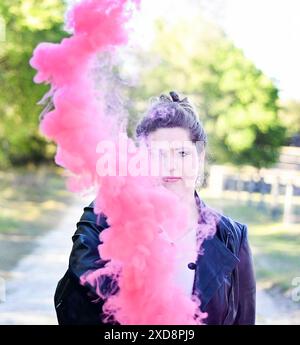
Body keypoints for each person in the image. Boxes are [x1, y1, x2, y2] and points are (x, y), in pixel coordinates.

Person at [54, 91, 256, 325]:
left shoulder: (232, 236)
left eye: (182, 153)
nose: (171, 166)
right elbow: (76, 301)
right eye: (158, 154)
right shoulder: (110, 217)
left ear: (200, 157)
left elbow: (244, 319)